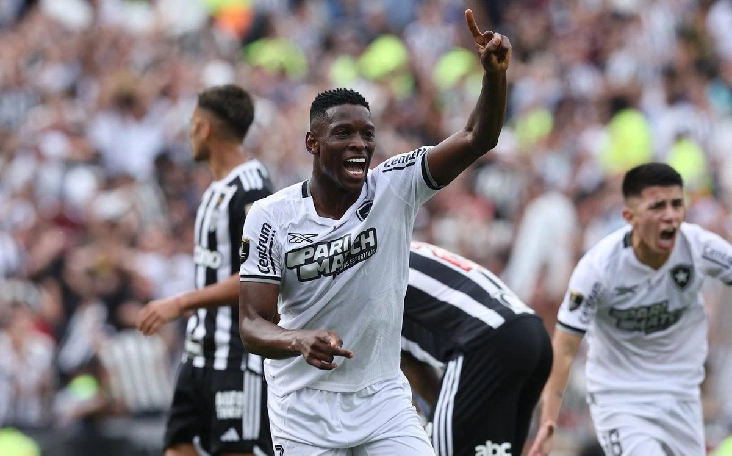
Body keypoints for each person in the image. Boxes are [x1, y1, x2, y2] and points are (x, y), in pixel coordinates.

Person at [238, 9, 510, 456]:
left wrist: (495, 78)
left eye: (368, 135)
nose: (360, 145)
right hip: (303, 408)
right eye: (343, 133)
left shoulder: (395, 186)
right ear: (313, 143)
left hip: (381, 398)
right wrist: (297, 339)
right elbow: (251, 325)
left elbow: (478, 137)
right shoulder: (271, 217)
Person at [529, 162, 732, 456]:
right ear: (630, 216)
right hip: (621, 400)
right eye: (658, 207)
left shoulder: (699, 247)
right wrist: (548, 421)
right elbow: (564, 348)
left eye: (677, 204)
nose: (670, 216)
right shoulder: (598, 269)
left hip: (682, 397)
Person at [136, 84, 275, 456]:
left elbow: (258, 276)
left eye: (192, 125)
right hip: (199, 354)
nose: (189, 134)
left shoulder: (253, 190)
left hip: (236, 356)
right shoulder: (217, 189)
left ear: (205, 128)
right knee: (178, 448)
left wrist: (181, 303)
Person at [400, 241, 552, 456]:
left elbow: (398, 364)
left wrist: (448, 422)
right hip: (532, 333)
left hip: (486, 341)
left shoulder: (365, 269)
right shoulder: (398, 247)